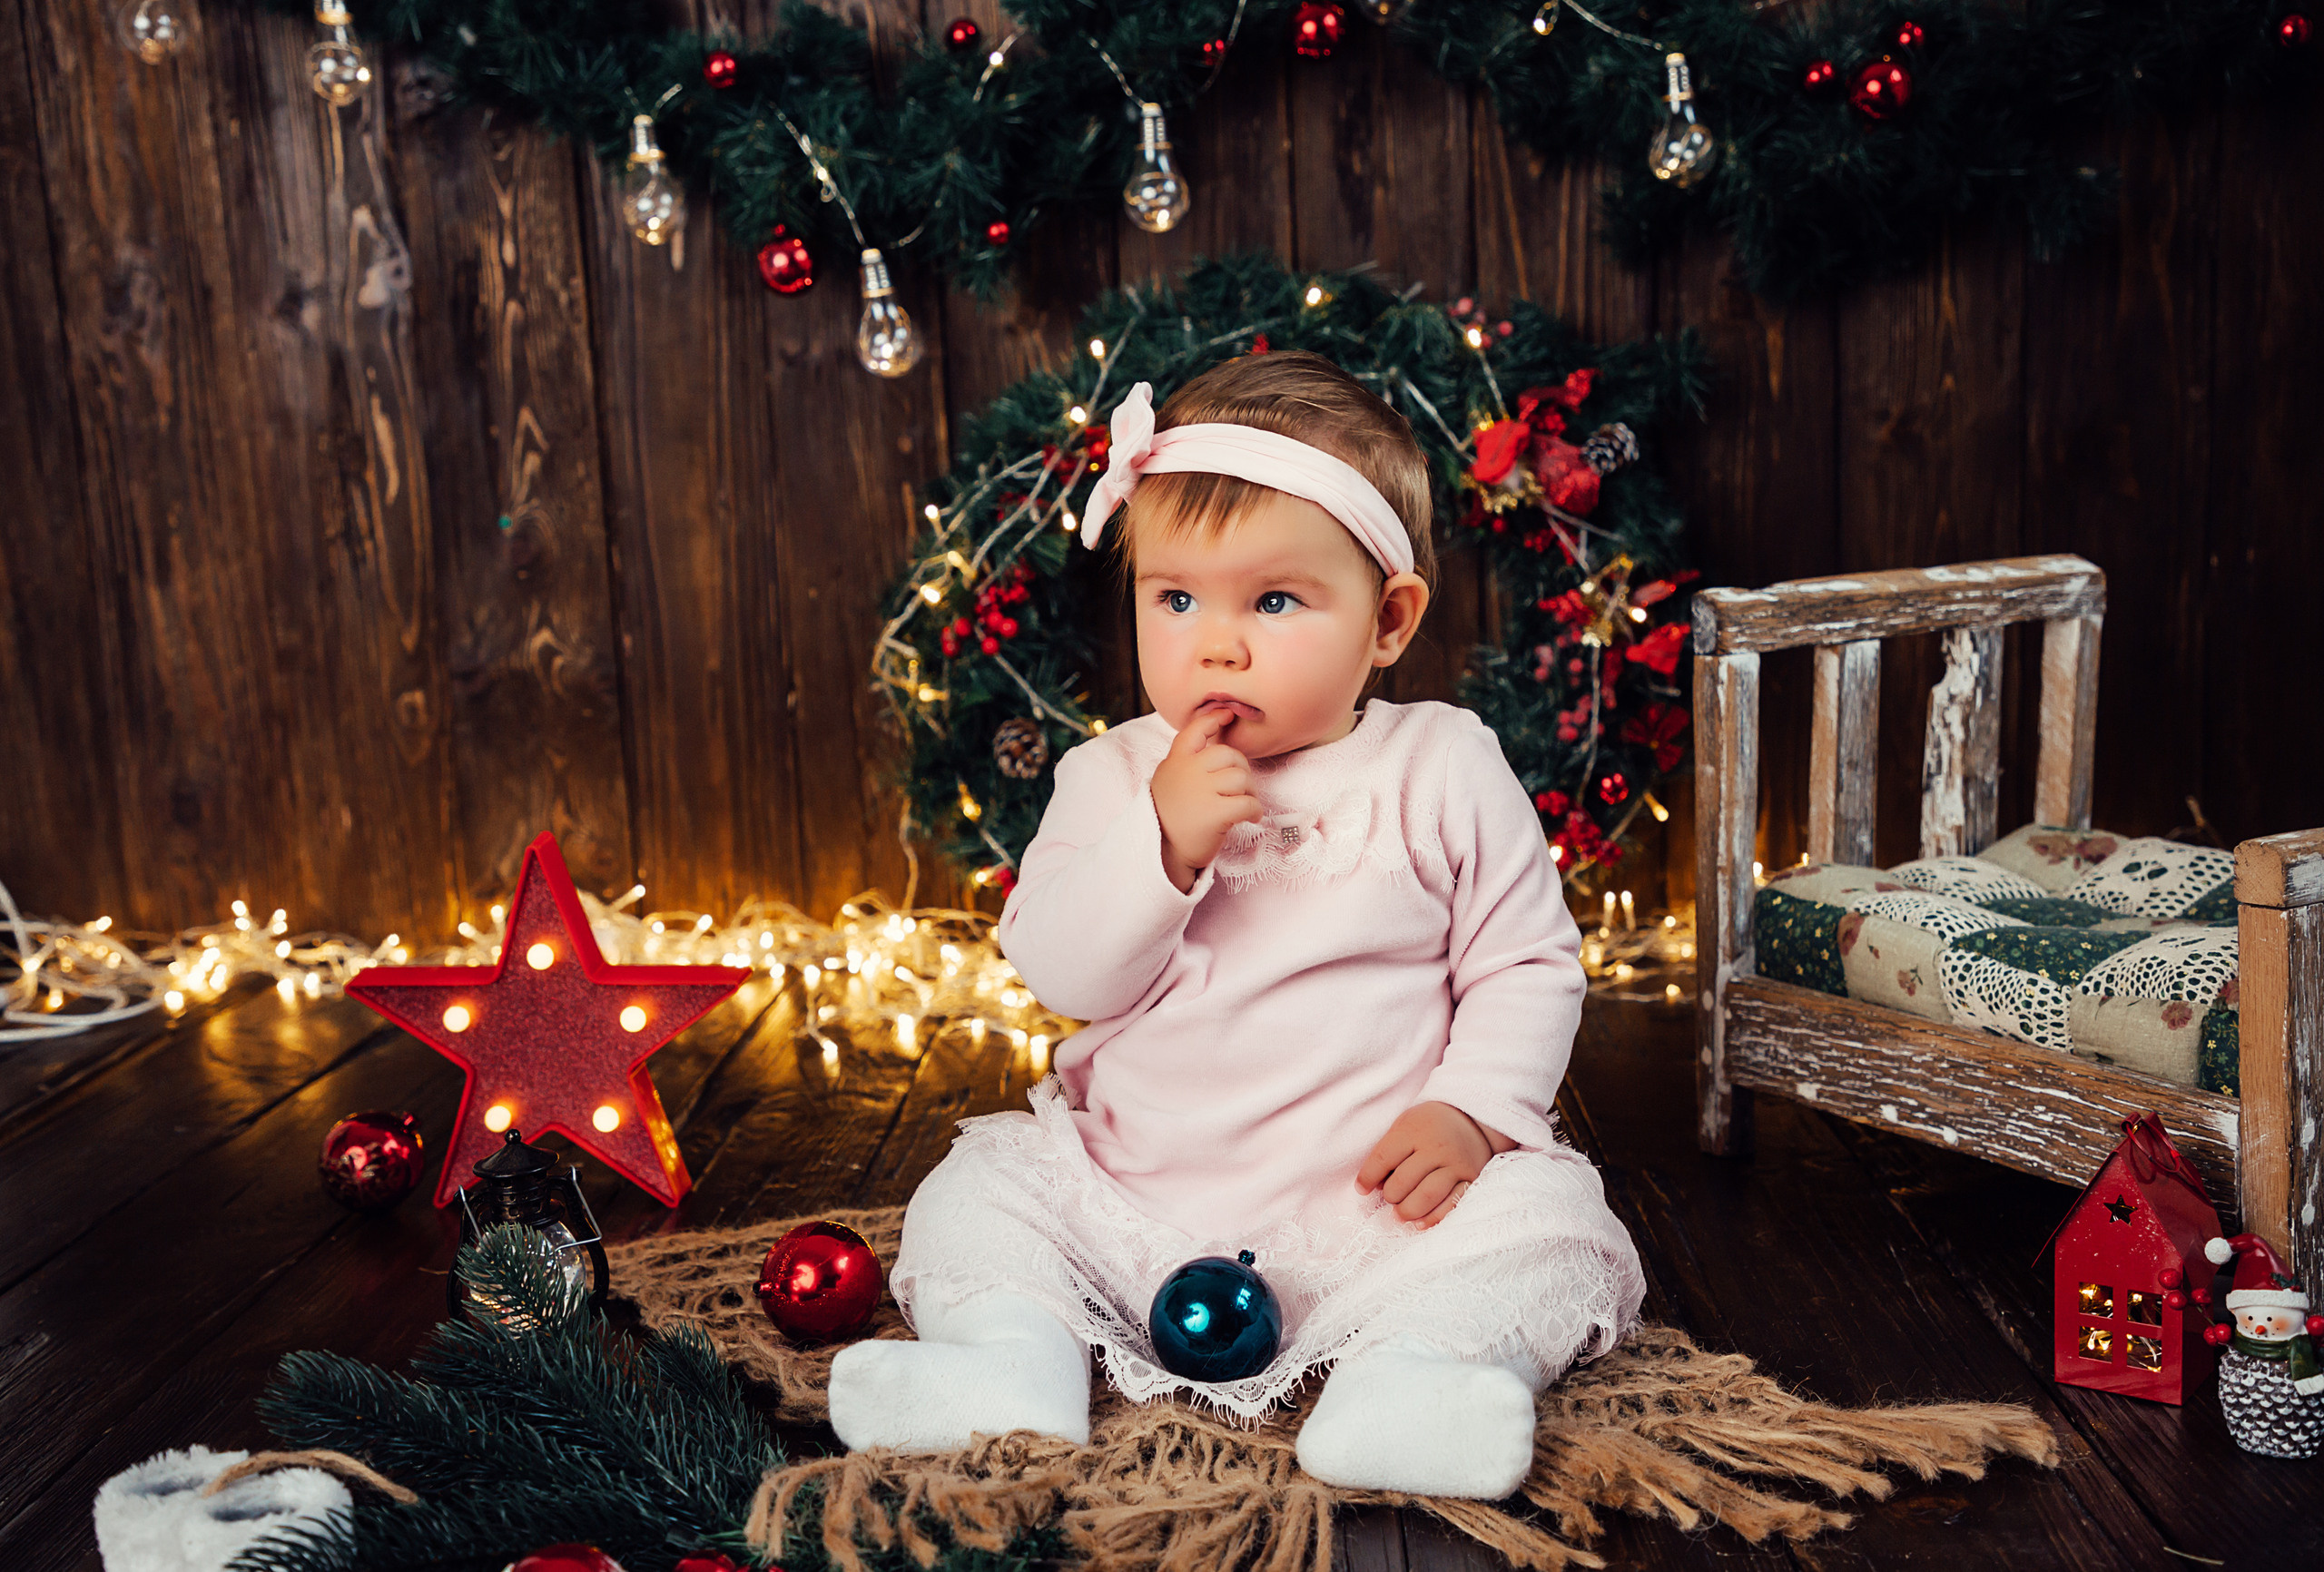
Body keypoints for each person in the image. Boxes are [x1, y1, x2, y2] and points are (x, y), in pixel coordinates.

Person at [829, 350, 1644, 1499]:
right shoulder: (1110, 775)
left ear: (1387, 620)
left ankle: (1413, 1376)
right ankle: (1010, 1363)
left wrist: (1473, 1111)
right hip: (1128, 1199)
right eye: (1175, 598)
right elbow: (1064, 973)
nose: (1216, 642)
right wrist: (1157, 847)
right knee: (980, 1195)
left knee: (1546, 1218)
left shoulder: (1439, 764)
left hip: (1376, 1213)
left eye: (1273, 600)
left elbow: (1525, 960)